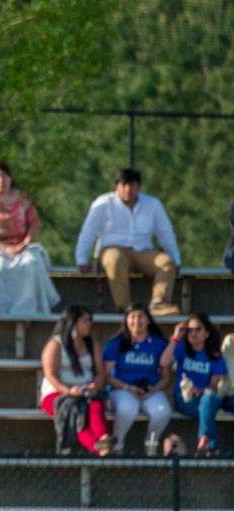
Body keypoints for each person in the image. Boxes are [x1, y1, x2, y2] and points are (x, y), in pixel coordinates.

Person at [74, 168, 181, 316]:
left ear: (139, 187)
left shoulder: (153, 205)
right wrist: (82, 258)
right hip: (112, 249)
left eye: (132, 185)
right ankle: (125, 309)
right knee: (115, 259)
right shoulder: (103, 203)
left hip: (143, 251)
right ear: (116, 186)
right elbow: (88, 231)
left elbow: (166, 234)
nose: (128, 189)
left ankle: (159, 303)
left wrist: (176, 259)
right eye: (123, 185)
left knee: (166, 262)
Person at [0, 161, 61, 314]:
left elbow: (34, 223)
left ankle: (28, 312)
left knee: (31, 263)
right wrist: (4, 248)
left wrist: (25, 242)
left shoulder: (22, 197)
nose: (1, 180)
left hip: (22, 245)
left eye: (4, 176)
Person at [39, 306, 114, 456]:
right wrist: (68, 391)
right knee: (75, 414)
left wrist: (95, 385)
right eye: (85, 320)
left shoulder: (92, 344)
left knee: (96, 406)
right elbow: (50, 374)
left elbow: (100, 372)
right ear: (72, 322)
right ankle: (99, 448)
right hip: (57, 393)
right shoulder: (55, 344)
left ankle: (103, 439)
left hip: (85, 391)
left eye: (90, 320)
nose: (89, 324)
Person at [103, 303, 172, 455]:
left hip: (151, 390)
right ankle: (117, 446)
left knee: (163, 411)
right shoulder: (117, 342)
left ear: (148, 320)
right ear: (126, 320)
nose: (137, 320)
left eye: (141, 316)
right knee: (127, 408)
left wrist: (155, 389)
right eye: (132, 316)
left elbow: (167, 377)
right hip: (122, 389)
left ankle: (151, 446)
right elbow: (106, 375)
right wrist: (128, 388)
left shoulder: (159, 344)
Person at [161, 314, 232, 456]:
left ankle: (207, 442)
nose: (192, 333)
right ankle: (209, 443)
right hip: (185, 399)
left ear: (206, 333)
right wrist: (175, 337)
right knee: (209, 403)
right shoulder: (182, 348)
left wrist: (198, 389)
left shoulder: (215, 356)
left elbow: (214, 386)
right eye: (189, 330)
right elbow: (164, 362)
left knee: (209, 398)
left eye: (197, 329)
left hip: (206, 397)